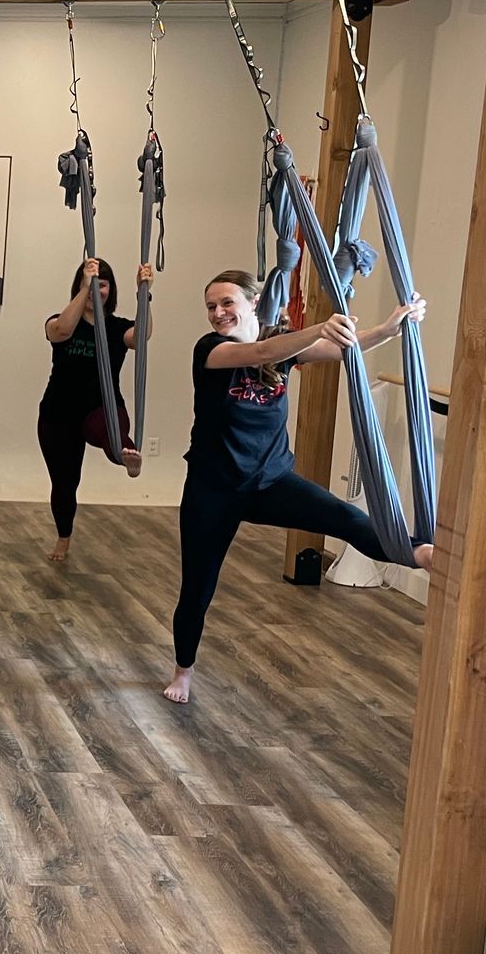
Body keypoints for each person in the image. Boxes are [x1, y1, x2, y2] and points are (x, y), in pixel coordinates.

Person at [165, 270, 434, 705]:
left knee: (346, 518)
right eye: (211, 306)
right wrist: (314, 329)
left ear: (253, 303)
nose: (218, 313)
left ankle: (420, 552)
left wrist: (388, 330)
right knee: (197, 587)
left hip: (271, 482)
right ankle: (184, 671)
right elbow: (266, 349)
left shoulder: (284, 349)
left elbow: (341, 349)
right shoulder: (211, 350)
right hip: (212, 491)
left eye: (227, 303)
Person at [38, 256, 149, 562]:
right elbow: (60, 330)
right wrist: (84, 285)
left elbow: (142, 337)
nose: (95, 291)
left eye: (102, 285)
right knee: (65, 482)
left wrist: (145, 294)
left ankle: (126, 455)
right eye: (89, 285)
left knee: (112, 436)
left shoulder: (117, 328)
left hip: (101, 406)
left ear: (110, 291)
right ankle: (64, 537)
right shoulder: (58, 322)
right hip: (58, 414)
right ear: (78, 288)